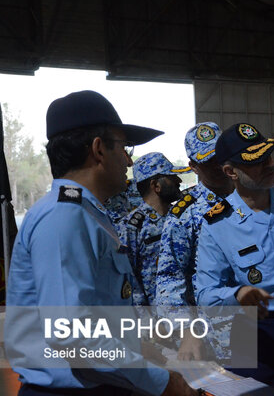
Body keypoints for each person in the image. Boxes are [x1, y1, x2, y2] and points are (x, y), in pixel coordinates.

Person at [6, 90, 197, 395]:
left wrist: (141, 349)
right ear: (98, 150)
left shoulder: (88, 213)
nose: (128, 160)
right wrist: (163, 382)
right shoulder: (64, 216)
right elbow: (73, 334)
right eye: (124, 147)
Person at [196, 123, 274, 394]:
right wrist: (238, 294)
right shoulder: (217, 224)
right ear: (230, 172)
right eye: (256, 162)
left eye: (268, 156)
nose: (269, 165)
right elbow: (205, 294)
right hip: (254, 331)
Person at [154, 122, 232, 361]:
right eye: (208, 162)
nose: (217, 166)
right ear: (194, 167)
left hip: (264, 325)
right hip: (216, 336)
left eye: (220, 157)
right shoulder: (185, 214)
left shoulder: (252, 196)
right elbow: (169, 277)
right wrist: (185, 330)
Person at [116, 152, 187, 305]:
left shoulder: (182, 218)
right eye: (171, 177)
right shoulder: (131, 227)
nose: (179, 180)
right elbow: (129, 280)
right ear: (156, 186)